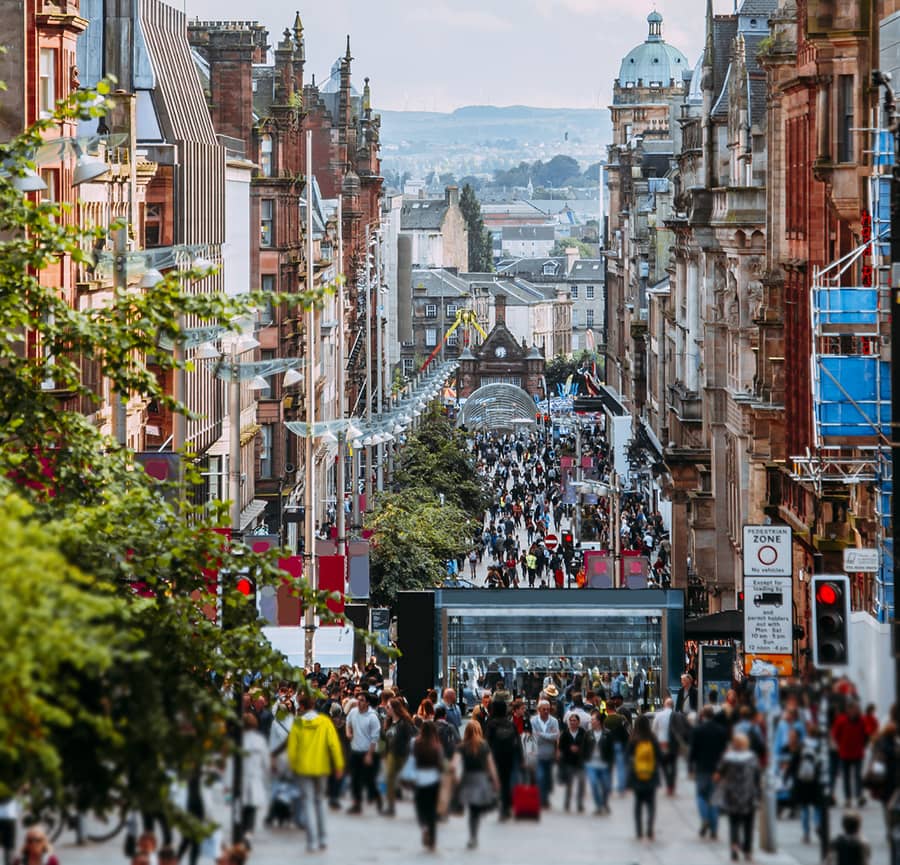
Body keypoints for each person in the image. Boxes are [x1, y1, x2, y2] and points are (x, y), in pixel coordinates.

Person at [286, 692, 344, 853]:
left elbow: (292, 749)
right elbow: (334, 745)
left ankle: (311, 841)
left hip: (303, 768)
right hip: (322, 767)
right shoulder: (325, 722)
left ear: (302, 706)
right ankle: (323, 838)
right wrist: (338, 766)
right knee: (320, 802)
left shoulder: (297, 724)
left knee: (308, 804)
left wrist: (292, 766)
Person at [453, 720, 500, 850]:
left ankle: (472, 836)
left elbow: (453, 765)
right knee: (475, 811)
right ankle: (473, 835)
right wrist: (496, 782)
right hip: (481, 780)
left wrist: (455, 777)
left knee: (472, 811)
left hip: (467, 780)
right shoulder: (484, 746)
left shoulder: (462, 747)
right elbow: (491, 766)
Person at [715, 731, 761, 862]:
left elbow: (719, 773)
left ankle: (734, 845)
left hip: (732, 794)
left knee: (733, 822)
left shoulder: (727, 757)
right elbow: (757, 776)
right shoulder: (752, 757)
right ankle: (747, 851)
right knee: (748, 824)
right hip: (748, 794)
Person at [691, 704, 730, 841]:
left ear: (702, 716)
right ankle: (714, 829)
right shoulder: (721, 731)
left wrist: (691, 767)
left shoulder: (697, 730)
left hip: (702, 768)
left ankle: (704, 818)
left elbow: (693, 751)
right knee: (714, 798)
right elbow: (725, 751)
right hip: (716, 770)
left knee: (701, 795)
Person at [345, 690, 383, 814]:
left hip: (368, 752)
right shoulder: (353, 712)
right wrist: (349, 733)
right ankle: (357, 803)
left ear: (367, 703)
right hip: (355, 750)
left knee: (368, 780)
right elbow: (348, 723)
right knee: (355, 779)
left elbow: (375, 738)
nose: (359, 702)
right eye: (358, 700)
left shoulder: (372, 717)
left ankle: (376, 796)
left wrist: (370, 755)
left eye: (362, 700)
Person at [786, 724, 825, 844]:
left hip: (802, 781)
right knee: (817, 806)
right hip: (816, 781)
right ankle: (818, 824)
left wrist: (787, 776)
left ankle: (806, 833)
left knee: (804, 808)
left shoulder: (801, 746)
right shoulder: (820, 746)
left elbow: (793, 763)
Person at [626, 713, 662, 841]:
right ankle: (650, 829)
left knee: (638, 804)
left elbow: (628, 759)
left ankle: (639, 831)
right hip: (651, 775)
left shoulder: (633, 740)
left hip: (637, 775)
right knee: (651, 804)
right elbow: (659, 757)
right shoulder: (652, 739)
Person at [485, 699, 521, 820]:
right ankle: (506, 806)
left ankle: (500, 804)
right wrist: (520, 758)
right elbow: (518, 742)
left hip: (496, 756)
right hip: (509, 756)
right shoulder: (510, 724)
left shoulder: (492, 724)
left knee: (497, 781)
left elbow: (487, 742)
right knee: (506, 781)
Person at [412, 721, 444, 851]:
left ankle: (424, 826)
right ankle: (433, 838)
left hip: (420, 778)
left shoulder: (416, 744)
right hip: (433, 779)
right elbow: (440, 764)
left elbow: (413, 760)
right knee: (432, 810)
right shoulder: (436, 747)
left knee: (421, 806)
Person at [832, 700, 869, 808]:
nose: (854, 711)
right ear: (848, 710)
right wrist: (840, 744)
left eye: (855, 709)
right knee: (846, 777)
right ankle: (848, 798)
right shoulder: (841, 720)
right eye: (852, 709)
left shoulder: (861, 720)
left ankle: (859, 796)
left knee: (858, 775)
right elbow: (835, 734)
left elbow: (865, 734)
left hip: (857, 752)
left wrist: (862, 745)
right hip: (845, 753)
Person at [240, 712, 270, 842]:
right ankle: (249, 829)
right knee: (251, 805)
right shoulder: (260, 741)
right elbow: (266, 762)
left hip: (242, 777)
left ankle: (243, 828)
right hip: (255, 776)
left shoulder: (238, 740)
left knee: (243, 803)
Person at [383, 697, 415, 816]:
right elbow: (385, 739)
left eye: (388, 707)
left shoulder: (405, 723)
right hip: (391, 753)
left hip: (402, 754)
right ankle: (390, 806)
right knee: (390, 778)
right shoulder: (389, 722)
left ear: (394, 709)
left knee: (407, 780)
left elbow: (410, 738)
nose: (387, 710)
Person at [558, 712, 590, 812]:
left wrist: (579, 749)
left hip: (580, 762)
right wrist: (569, 748)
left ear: (578, 722)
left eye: (574, 720)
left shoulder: (583, 733)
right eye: (570, 720)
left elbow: (588, 746)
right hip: (569, 761)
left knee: (581, 783)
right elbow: (561, 747)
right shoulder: (565, 733)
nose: (572, 722)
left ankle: (580, 804)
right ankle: (567, 803)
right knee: (569, 784)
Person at [531, 699, 560, 808]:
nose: (546, 711)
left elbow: (556, 736)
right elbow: (534, 737)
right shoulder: (533, 721)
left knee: (548, 778)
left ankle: (545, 798)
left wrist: (542, 734)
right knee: (540, 777)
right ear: (539, 710)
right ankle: (541, 799)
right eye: (544, 709)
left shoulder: (554, 721)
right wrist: (548, 735)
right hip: (538, 754)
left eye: (548, 709)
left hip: (550, 754)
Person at [585, 710, 612, 814]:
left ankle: (604, 802)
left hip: (604, 764)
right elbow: (584, 749)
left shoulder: (607, 734)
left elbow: (611, 750)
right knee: (594, 783)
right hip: (591, 764)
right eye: (591, 719)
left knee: (606, 786)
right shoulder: (588, 734)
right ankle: (599, 805)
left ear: (599, 721)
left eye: (593, 719)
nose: (591, 721)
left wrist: (610, 763)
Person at [651, 697, 676, 795]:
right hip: (673, 743)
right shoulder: (676, 715)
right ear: (672, 705)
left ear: (665, 705)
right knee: (673, 765)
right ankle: (672, 785)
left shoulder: (659, 715)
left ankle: (668, 783)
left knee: (664, 765)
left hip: (662, 743)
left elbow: (654, 729)